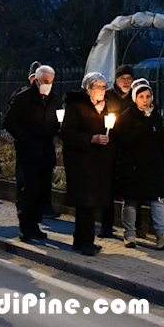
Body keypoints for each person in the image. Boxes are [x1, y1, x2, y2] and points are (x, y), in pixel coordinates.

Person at [113, 79, 164, 250]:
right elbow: (127, 140)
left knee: (157, 199)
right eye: (141, 96)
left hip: (152, 166)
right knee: (131, 201)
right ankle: (130, 234)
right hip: (134, 166)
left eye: (148, 96)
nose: (145, 100)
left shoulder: (155, 116)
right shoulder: (127, 116)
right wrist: (145, 122)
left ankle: (162, 234)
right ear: (135, 98)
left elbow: (158, 140)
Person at [60, 72, 116, 256]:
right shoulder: (77, 107)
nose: (102, 90)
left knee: (92, 203)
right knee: (86, 203)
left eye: (104, 86)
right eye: (98, 87)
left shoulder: (105, 107)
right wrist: (91, 138)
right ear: (88, 88)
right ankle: (86, 242)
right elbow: (67, 134)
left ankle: (81, 240)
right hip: (81, 163)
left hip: (98, 163)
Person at [3, 64, 60, 242]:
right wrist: (24, 138)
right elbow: (9, 121)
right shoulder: (23, 98)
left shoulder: (53, 99)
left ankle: (35, 225)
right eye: (44, 81)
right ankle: (25, 226)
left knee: (42, 190)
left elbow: (55, 122)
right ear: (36, 80)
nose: (48, 85)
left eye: (50, 82)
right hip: (28, 151)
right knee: (27, 189)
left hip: (45, 150)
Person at [99, 64, 135, 238]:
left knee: (131, 188)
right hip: (111, 146)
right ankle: (106, 226)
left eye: (129, 79)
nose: (126, 82)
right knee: (108, 188)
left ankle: (134, 228)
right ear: (117, 80)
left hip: (129, 148)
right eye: (123, 78)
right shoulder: (107, 97)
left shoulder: (136, 97)